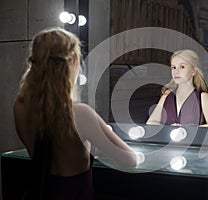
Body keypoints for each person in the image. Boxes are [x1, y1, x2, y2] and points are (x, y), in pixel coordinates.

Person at [13, 27, 138, 200]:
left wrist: (91, 143)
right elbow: (129, 159)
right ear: (73, 63)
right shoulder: (80, 114)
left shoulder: (20, 108)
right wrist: (100, 138)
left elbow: (54, 149)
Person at [147, 49, 208, 127]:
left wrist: (186, 130)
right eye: (174, 67)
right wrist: (167, 128)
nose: (176, 71)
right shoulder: (166, 96)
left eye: (182, 67)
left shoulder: (202, 97)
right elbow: (150, 123)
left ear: (193, 71)